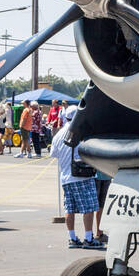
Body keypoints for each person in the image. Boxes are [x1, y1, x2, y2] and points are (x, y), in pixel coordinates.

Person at [50, 106, 103, 249]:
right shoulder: (80, 132)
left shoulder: (59, 134)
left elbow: (53, 154)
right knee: (89, 207)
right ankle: (88, 238)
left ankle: (72, 237)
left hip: (66, 176)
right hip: (81, 176)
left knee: (70, 208)